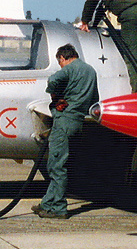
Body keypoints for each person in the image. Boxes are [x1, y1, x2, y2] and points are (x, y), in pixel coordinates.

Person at [32, 44, 99, 219]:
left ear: (63, 58)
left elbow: (53, 80)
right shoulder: (90, 71)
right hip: (78, 122)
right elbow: (95, 99)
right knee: (60, 164)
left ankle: (59, 208)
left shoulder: (69, 69)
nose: (61, 65)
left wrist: (56, 97)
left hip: (64, 121)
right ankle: (47, 203)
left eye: (60, 62)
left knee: (56, 166)